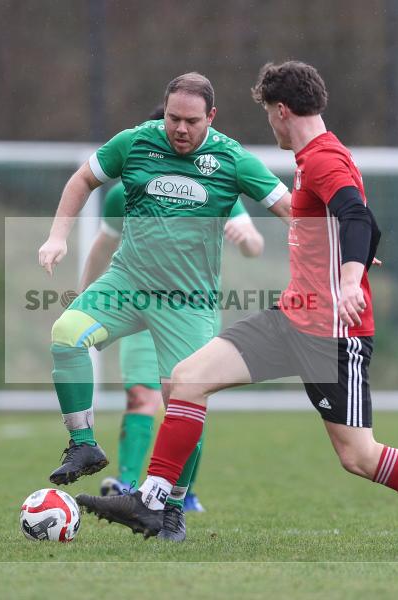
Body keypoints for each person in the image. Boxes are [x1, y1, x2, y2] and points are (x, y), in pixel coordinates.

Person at [75, 61, 398, 557]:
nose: (270, 126)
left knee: (358, 456)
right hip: (292, 317)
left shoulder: (322, 159)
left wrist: (351, 278)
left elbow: (358, 215)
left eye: (268, 115)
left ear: (281, 111)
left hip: (332, 334)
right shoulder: (312, 158)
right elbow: (360, 225)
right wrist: (354, 252)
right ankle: (154, 501)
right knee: (187, 379)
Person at [37, 72, 291, 540]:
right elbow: (82, 179)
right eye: (173, 118)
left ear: (211, 117)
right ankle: (83, 444)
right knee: (66, 334)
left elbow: (291, 210)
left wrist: (342, 255)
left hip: (188, 302)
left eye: (191, 121)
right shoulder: (135, 142)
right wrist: (57, 237)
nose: (180, 128)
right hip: (127, 283)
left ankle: (171, 509)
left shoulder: (232, 158)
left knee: (185, 400)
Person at [83, 106, 266, 512]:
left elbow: (255, 244)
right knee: (140, 396)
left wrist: (246, 237)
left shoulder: (214, 180)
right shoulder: (126, 190)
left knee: (185, 401)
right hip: (137, 308)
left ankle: (182, 495)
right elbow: (103, 246)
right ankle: (128, 485)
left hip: (189, 309)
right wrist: (85, 301)